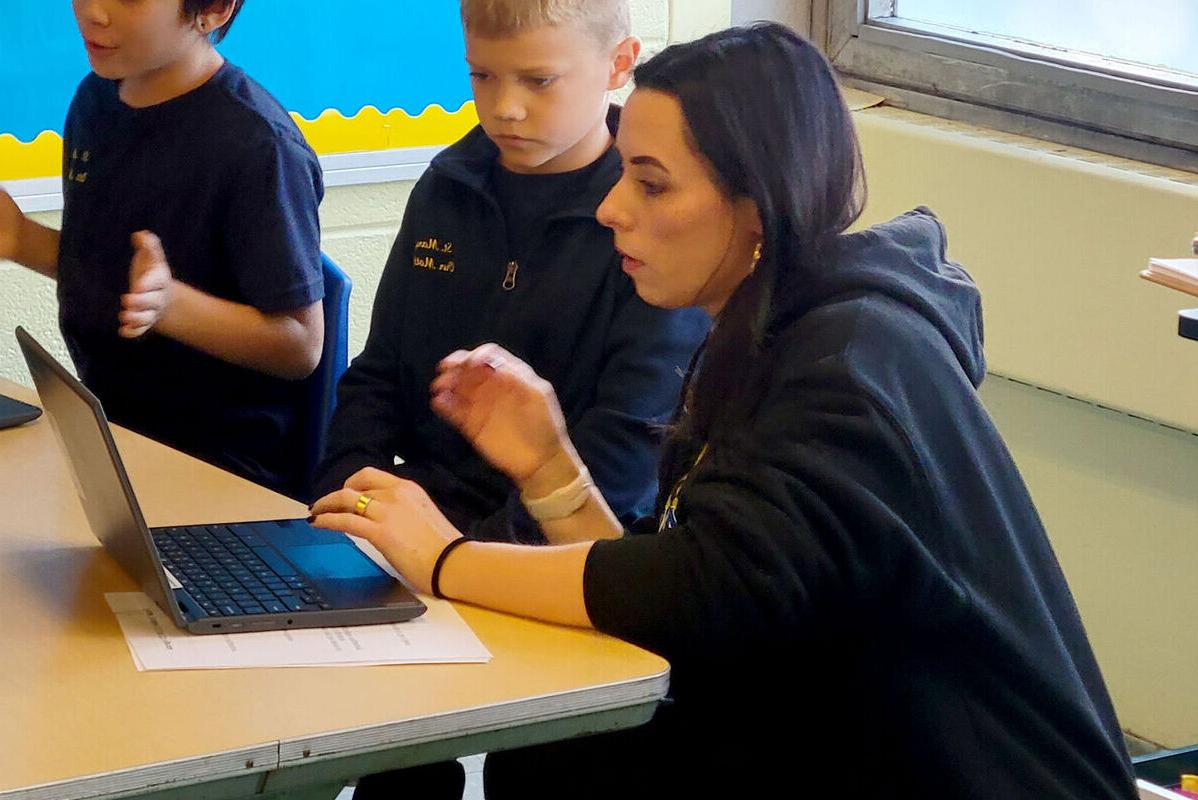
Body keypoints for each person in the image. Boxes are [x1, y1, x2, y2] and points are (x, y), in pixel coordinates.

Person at [312, 23, 1138, 800]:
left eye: (651, 183)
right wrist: (552, 469)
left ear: (756, 204)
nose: (612, 209)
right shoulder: (765, 330)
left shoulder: (850, 359)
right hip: (826, 742)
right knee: (562, 757)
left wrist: (445, 560)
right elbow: (709, 584)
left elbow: (710, 585)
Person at [314, 0, 708, 542]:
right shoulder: (446, 185)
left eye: (539, 81)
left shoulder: (647, 220)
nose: (505, 108)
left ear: (619, 65)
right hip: (421, 519)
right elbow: (379, 372)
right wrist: (349, 499)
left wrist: (459, 557)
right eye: (482, 76)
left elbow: (628, 449)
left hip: (557, 542)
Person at [0, 0, 324, 497]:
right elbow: (108, 270)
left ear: (213, 10)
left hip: (223, 475)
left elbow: (301, 344)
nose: (94, 13)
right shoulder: (96, 101)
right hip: (112, 439)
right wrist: (22, 240)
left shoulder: (259, 146)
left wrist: (174, 307)